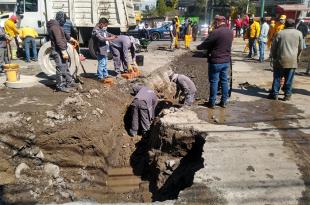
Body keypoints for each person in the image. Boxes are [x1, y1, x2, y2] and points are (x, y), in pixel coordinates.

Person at [197, 16, 233, 108]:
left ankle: (212, 102)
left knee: (214, 81)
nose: (214, 24)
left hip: (216, 61)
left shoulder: (216, 32)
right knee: (224, 81)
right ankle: (224, 101)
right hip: (226, 61)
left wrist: (199, 47)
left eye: (215, 22)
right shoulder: (230, 32)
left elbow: (206, 43)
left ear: (218, 22)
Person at [268, 19, 303, 101]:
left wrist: (273, 56)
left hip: (280, 60)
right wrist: (297, 58)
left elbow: (274, 47)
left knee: (277, 78)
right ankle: (287, 95)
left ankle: (274, 94)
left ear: (285, 25)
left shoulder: (280, 33)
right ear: (294, 25)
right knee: (289, 79)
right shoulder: (299, 33)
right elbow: (301, 48)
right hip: (292, 61)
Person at [47, 11, 79, 92]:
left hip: (60, 49)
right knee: (60, 68)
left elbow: (64, 34)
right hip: (57, 50)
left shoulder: (58, 26)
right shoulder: (54, 27)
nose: (65, 21)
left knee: (65, 66)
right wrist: (63, 51)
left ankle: (69, 81)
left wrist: (72, 39)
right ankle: (60, 85)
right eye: (64, 19)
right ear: (60, 18)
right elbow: (59, 40)